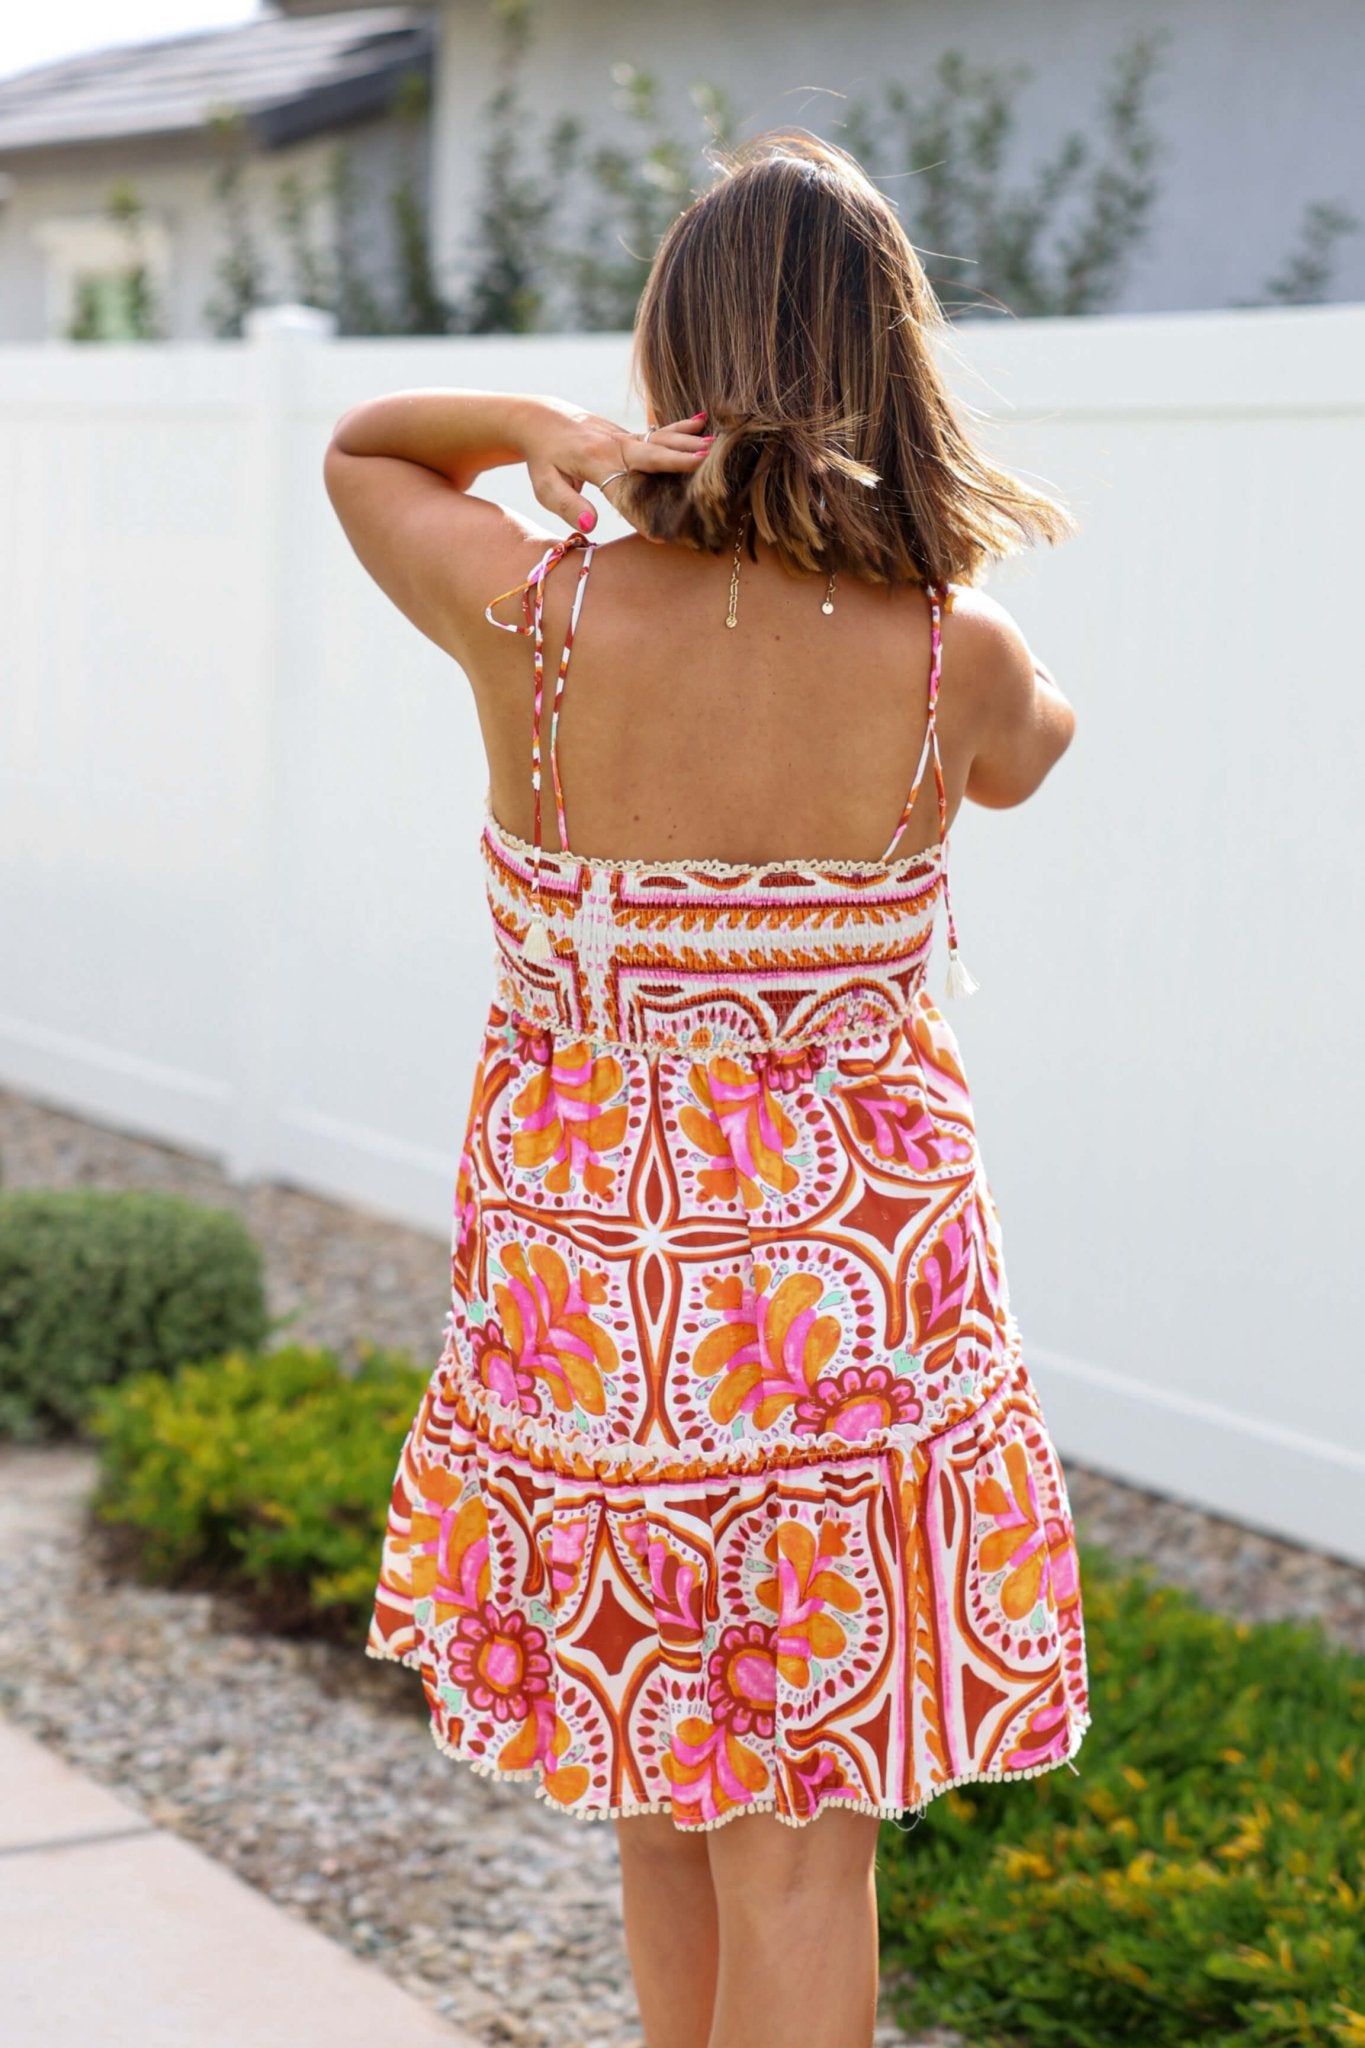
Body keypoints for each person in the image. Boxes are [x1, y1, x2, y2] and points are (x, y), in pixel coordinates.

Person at [325, 131, 1091, 2048]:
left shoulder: (537, 614)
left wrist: (543, 434)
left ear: (673, 360)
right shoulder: (954, 654)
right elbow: (1032, 757)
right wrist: (921, 576)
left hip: (595, 1281)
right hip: (847, 1293)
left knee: (658, 1777)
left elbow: (363, 454)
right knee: (799, 1850)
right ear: (891, 366)